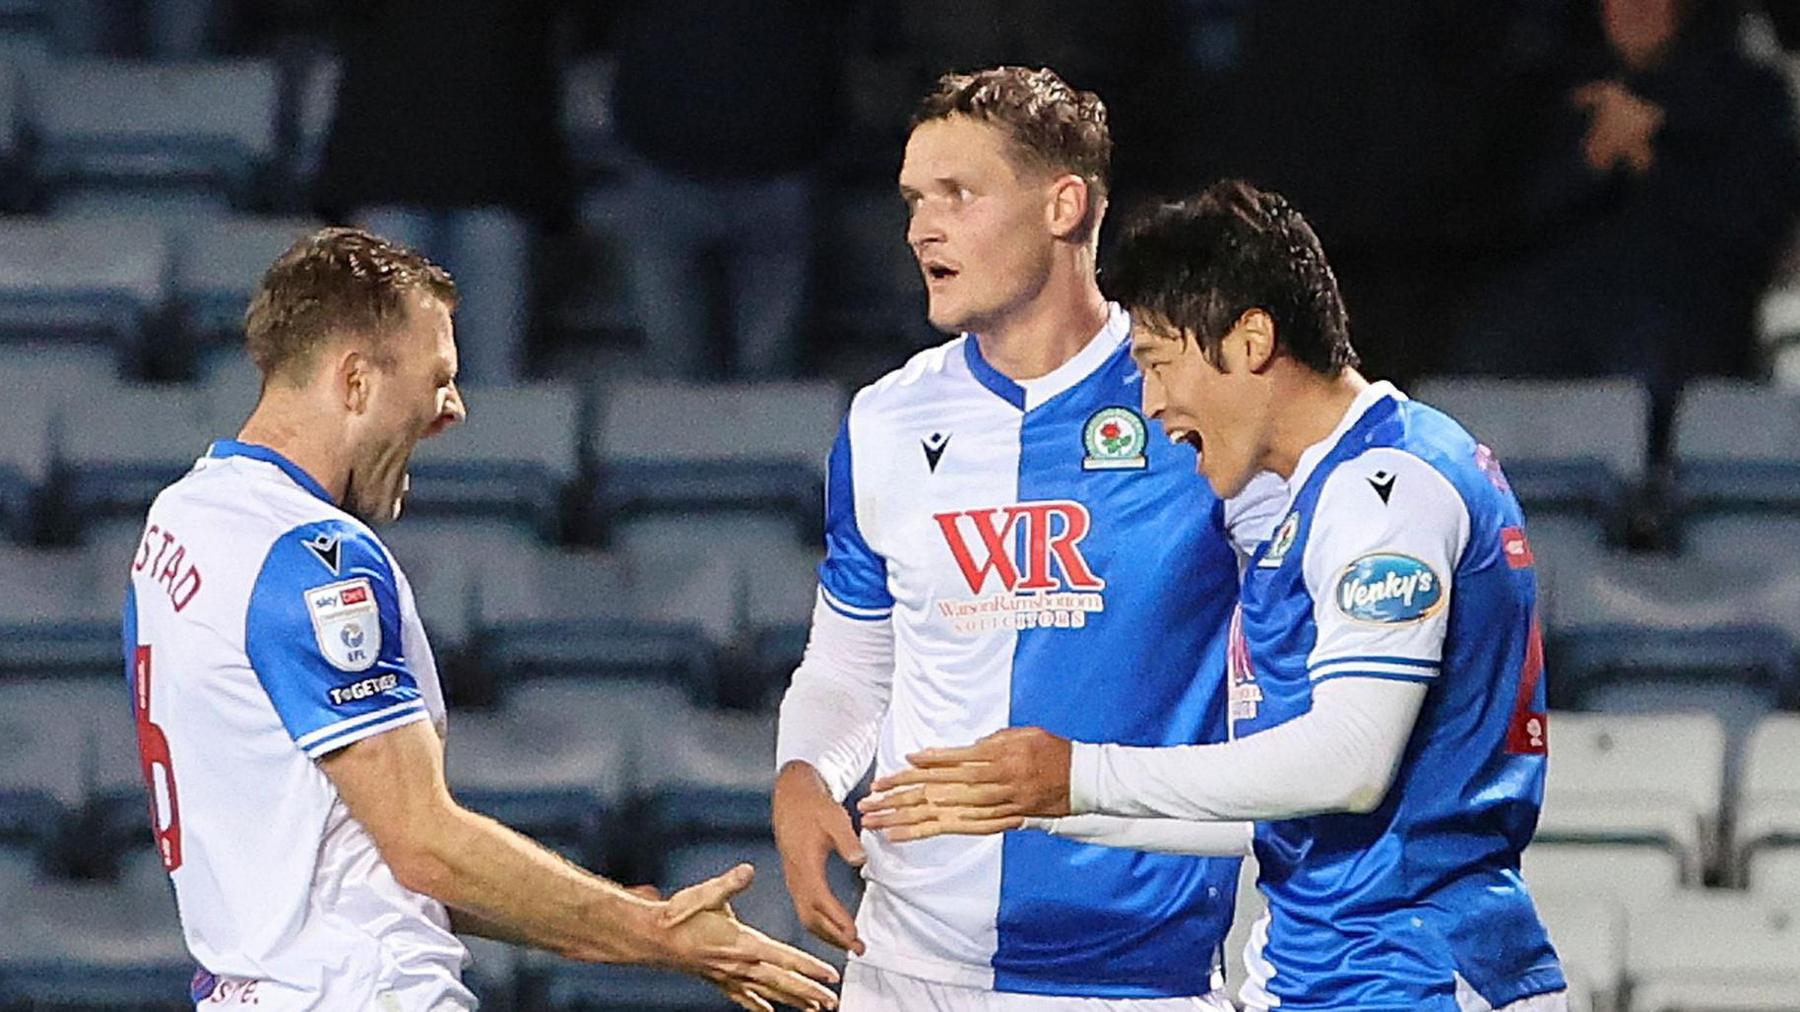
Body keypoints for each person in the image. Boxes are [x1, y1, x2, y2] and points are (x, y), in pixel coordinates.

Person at [861, 180, 1568, 1012]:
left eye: (1159, 364)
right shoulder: (1336, 492)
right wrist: (1040, 805)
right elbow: (1282, 814)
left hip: (1409, 976)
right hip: (1331, 972)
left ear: (1251, 341)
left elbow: (1349, 763)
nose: (1152, 405)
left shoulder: (1382, 490)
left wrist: (1081, 774)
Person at [122, 227, 838, 1012]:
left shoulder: (181, 523)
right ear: (355, 381)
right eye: (437, 379)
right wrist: (656, 934)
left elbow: (353, 857)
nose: (453, 409)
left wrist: (613, 917)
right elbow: (421, 844)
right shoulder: (314, 557)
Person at [772, 68, 1286, 1011]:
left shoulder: (1202, 399)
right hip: (907, 969)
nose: (921, 230)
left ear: (1063, 206)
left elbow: (1301, 672)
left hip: (1142, 980)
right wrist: (805, 777)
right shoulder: (884, 418)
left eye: (957, 195)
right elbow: (851, 661)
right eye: (913, 201)